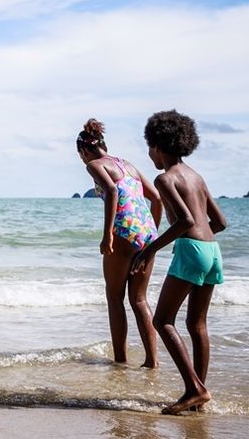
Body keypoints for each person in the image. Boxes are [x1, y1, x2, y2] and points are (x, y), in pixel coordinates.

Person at [132, 110, 227, 415]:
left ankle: (194, 389)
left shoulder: (165, 178)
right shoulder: (196, 176)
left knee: (162, 320)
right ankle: (200, 393)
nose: (149, 155)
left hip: (191, 249)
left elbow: (185, 220)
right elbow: (220, 221)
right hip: (212, 250)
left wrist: (148, 250)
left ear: (159, 145)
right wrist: (201, 238)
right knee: (197, 324)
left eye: (150, 148)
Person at [77, 118, 163, 367]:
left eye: (81, 155)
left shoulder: (93, 165)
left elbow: (112, 192)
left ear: (84, 150)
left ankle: (120, 361)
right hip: (146, 234)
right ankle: (152, 362)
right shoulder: (127, 164)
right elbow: (156, 198)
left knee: (115, 297)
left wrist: (108, 235)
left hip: (123, 233)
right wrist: (152, 234)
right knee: (139, 300)